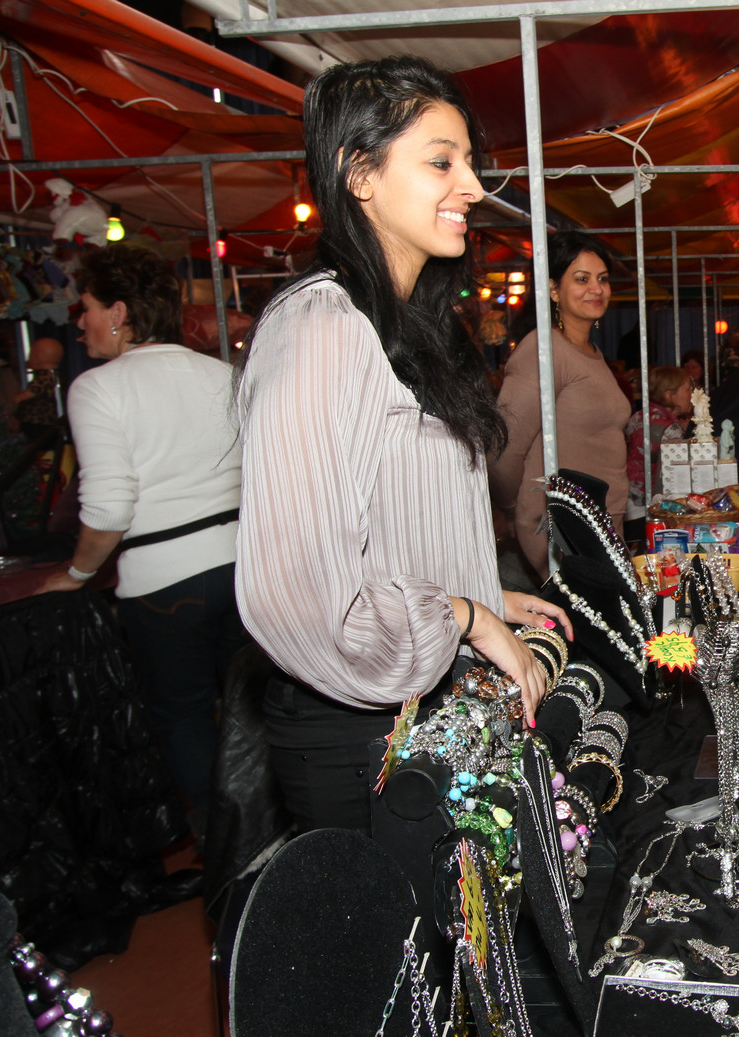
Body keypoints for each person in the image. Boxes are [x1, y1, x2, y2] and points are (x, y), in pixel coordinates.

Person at [236, 56, 569, 833]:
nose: (473, 187)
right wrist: (465, 615)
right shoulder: (322, 328)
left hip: (420, 709)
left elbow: (388, 524)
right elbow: (298, 592)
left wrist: (478, 592)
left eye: (470, 163)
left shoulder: (399, 326)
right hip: (361, 735)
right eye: (441, 162)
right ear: (360, 173)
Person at [36, 244, 245, 835]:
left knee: (183, 714)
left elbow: (109, 506)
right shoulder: (224, 375)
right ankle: (270, 841)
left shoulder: (97, 387)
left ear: (119, 312)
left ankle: (220, 849)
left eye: (86, 308)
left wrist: (76, 575)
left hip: (163, 582)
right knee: (251, 709)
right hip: (241, 567)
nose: (80, 323)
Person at [491, 230, 630, 580]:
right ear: (553, 289)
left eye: (602, 279)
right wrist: (512, 508)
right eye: (581, 279)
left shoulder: (590, 352)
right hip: (565, 529)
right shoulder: (544, 350)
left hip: (601, 522)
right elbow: (505, 444)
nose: (596, 289)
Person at [625, 364, 691, 507]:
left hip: (630, 494)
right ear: (669, 395)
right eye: (687, 389)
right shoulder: (670, 428)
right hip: (649, 500)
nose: (691, 394)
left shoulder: (639, 415)